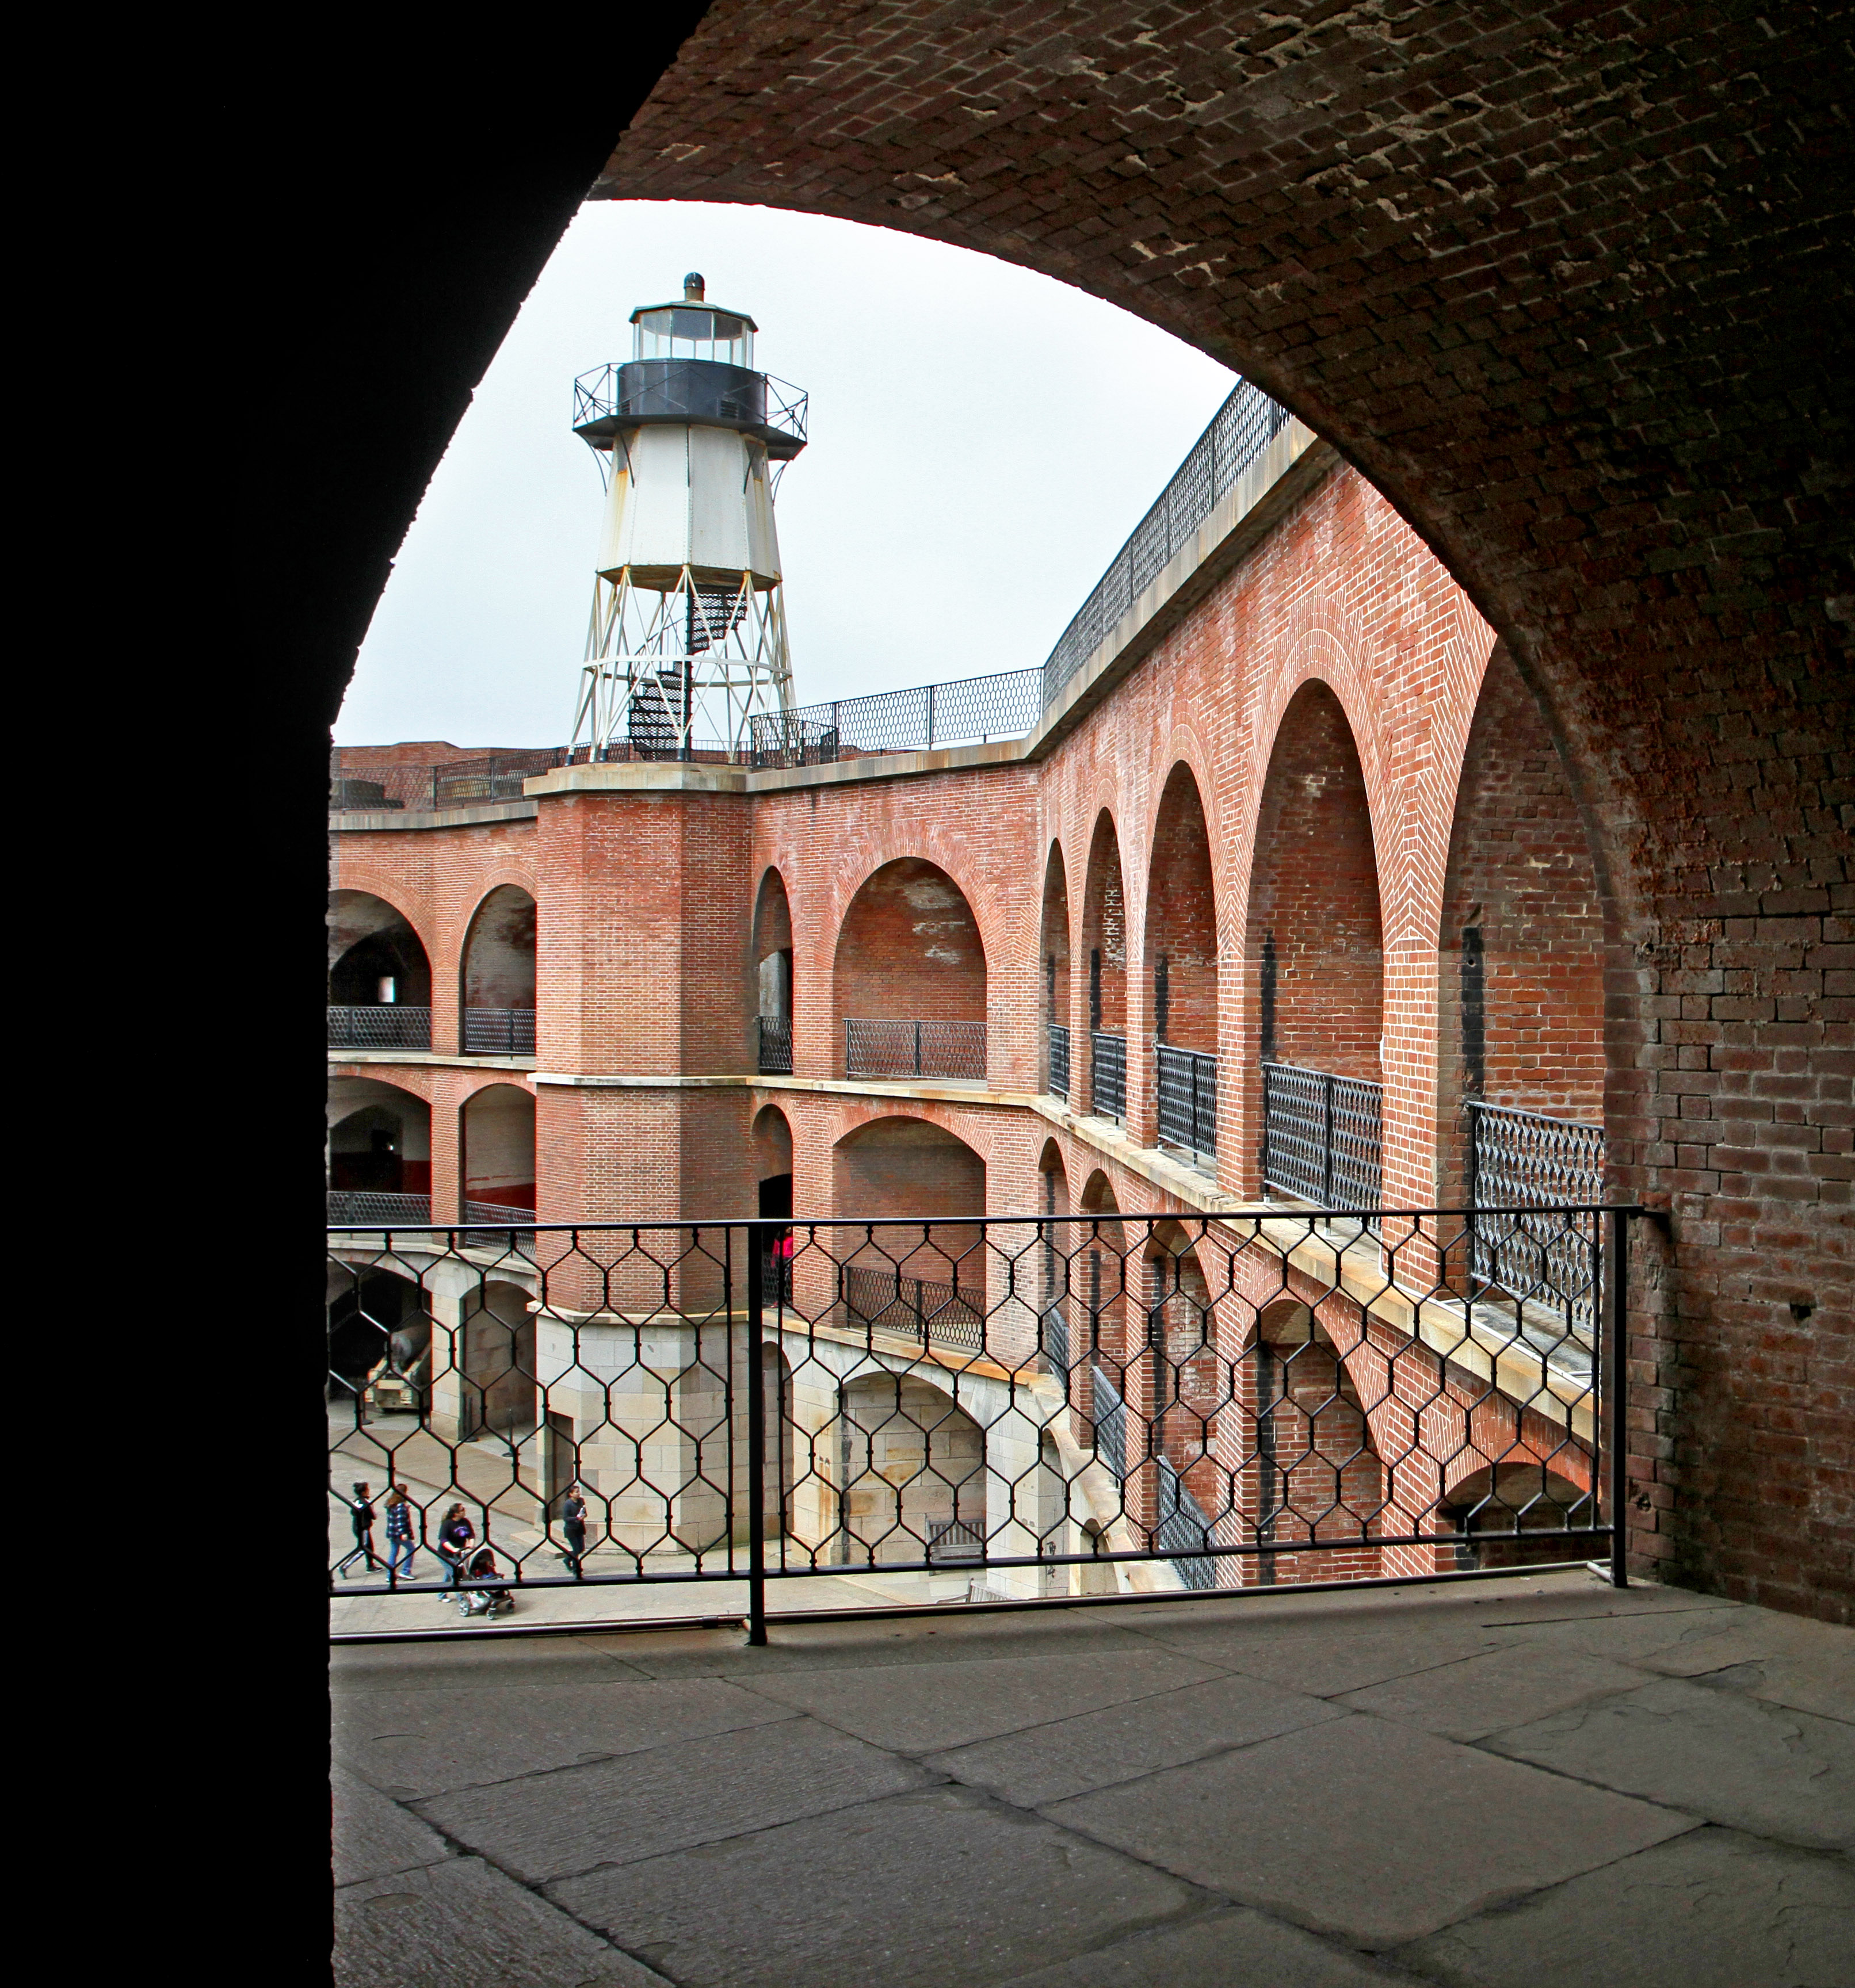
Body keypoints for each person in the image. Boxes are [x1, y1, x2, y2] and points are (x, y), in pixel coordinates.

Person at [336, 1481, 377, 1578]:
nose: (369, 1491)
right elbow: (374, 1516)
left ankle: (370, 1565)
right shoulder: (367, 1503)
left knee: (369, 1546)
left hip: (356, 1526)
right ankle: (344, 1566)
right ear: (364, 1492)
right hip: (364, 1528)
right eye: (367, 1490)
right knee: (363, 1549)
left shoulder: (357, 1501)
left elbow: (353, 1512)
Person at [437, 1503, 475, 1590]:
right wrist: (453, 1549)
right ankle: (462, 1599)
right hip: (446, 1555)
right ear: (456, 1514)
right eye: (462, 1510)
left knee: (449, 1574)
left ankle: (441, 1594)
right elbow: (443, 1540)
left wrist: (471, 1543)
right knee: (456, 1576)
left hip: (459, 1554)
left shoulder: (465, 1522)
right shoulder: (447, 1524)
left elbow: (471, 1535)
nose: (464, 1511)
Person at [383, 1484, 417, 1581]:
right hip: (399, 1534)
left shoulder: (391, 1503)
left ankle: (390, 1575)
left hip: (392, 1533)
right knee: (411, 1549)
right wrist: (404, 1533)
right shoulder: (401, 1506)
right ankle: (406, 1571)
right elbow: (401, 1521)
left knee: (393, 1552)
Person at [559, 1485, 587, 1575]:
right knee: (576, 1549)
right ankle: (576, 1569)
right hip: (571, 1529)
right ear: (571, 1494)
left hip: (579, 1528)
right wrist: (576, 1518)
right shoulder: (568, 1504)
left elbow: (584, 1512)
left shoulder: (581, 1501)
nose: (579, 1493)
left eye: (579, 1491)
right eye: (576, 1492)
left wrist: (583, 1516)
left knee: (581, 1548)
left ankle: (567, 1560)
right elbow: (566, 1518)